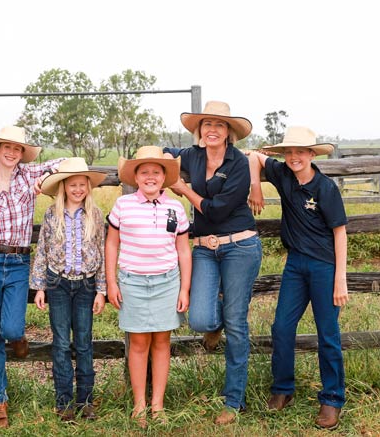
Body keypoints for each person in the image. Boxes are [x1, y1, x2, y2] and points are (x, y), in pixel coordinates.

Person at [163, 101, 263, 425]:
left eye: (220, 125)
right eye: (207, 124)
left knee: (236, 323)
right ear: (200, 130)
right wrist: (166, 161)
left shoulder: (239, 163)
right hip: (205, 247)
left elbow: (217, 211)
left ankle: (233, 402)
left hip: (240, 246)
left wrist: (182, 188)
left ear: (229, 132)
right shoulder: (192, 155)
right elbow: (166, 152)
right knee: (201, 319)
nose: (212, 130)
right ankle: (216, 323)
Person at [248, 126, 348, 429]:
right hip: (295, 265)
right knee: (281, 327)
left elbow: (340, 232)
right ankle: (283, 389)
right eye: (289, 152)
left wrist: (340, 278)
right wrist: (255, 186)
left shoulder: (325, 188)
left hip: (324, 266)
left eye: (300, 152)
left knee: (327, 332)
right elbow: (253, 156)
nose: (294, 157)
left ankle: (332, 398)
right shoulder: (283, 176)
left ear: (311, 154)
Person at [0, 125, 63, 427]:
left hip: (17, 261)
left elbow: (63, 163)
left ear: (22, 154)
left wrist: (47, 181)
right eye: (6, 147)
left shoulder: (28, 176)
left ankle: (18, 337)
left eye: (17, 149)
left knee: (10, 328)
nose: (11, 153)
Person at [105, 145, 191, 428]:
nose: (150, 177)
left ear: (164, 177)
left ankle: (158, 405)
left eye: (156, 172)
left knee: (162, 342)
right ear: (136, 176)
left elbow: (183, 250)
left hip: (167, 281)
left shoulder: (175, 207)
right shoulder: (123, 205)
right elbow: (112, 243)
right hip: (133, 281)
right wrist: (111, 282)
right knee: (139, 342)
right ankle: (139, 404)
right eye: (144, 172)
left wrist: (184, 288)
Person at [31, 157, 108, 422]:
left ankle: (85, 401)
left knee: (84, 343)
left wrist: (101, 290)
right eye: (72, 185)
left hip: (86, 284)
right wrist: (39, 287)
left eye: (82, 185)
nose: (77, 189)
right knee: (62, 343)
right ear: (64, 187)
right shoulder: (53, 214)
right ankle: (64, 403)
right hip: (58, 283)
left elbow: (101, 251)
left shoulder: (95, 215)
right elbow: (42, 249)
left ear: (88, 186)